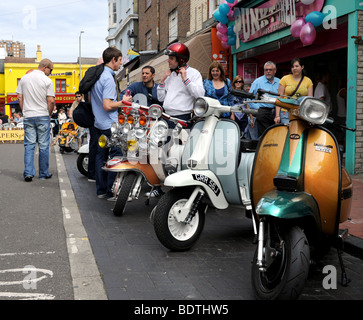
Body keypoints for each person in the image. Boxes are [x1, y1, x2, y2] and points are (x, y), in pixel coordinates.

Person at [90, 47, 125, 200]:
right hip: (110, 124)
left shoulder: (96, 76)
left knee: (100, 157)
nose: (121, 64)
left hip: (98, 123)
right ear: (113, 60)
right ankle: (111, 192)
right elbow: (107, 105)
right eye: (120, 60)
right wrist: (123, 102)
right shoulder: (108, 78)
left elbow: (92, 100)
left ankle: (101, 190)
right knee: (116, 155)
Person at [16, 58, 55, 182]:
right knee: (43, 146)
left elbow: (19, 98)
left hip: (28, 116)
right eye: (51, 70)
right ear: (45, 67)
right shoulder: (47, 80)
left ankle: (28, 173)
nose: (51, 72)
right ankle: (43, 173)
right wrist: (49, 114)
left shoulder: (24, 78)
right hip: (42, 115)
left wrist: (24, 111)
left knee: (29, 145)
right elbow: (51, 101)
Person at [158, 42, 205, 127]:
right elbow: (160, 98)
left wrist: (186, 80)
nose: (168, 61)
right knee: (166, 140)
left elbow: (200, 94)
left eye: (171, 58)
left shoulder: (194, 73)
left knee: (179, 140)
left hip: (182, 118)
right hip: (166, 117)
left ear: (181, 60)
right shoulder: (170, 74)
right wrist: (162, 81)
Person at [248, 61, 280, 138]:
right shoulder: (258, 82)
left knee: (276, 135)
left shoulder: (279, 82)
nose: (268, 72)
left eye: (270, 70)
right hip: (263, 111)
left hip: (276, 111)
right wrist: (257, 108)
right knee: (265, 135)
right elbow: (249, 96)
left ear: (275, 71)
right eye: (266, 70)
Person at [277, 58, 313, 124]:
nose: (294, 68)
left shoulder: (308, 81)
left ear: (302, 67)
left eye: (296, 66)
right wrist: (277, 116)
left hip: (301, 113)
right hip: (286, 112)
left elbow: (310, 100)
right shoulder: (284, 79)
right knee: (288, 132)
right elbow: (279, 98)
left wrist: (310, 117)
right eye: (292, 67)